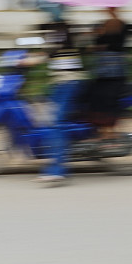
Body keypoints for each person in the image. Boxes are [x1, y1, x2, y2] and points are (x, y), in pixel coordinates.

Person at [22, 19, 86, 185]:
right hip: (61, 83)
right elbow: (46, 54)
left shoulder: (60, 37)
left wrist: (25, 61)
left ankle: (57, 170)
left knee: (56, 122)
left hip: (69, 84)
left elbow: (44, 55)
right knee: (41, 111)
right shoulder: (62, 39)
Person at [77, 7, 131, 140]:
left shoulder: (123, 25)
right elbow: (95, 43)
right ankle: (100, 130)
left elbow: (118, 45)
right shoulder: (100, 24)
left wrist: (100, 41)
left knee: (109, 99)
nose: (109, 9)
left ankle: (110, 131)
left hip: (116, 70)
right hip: (101, 70)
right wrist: (94, 36)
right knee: (92, 96)